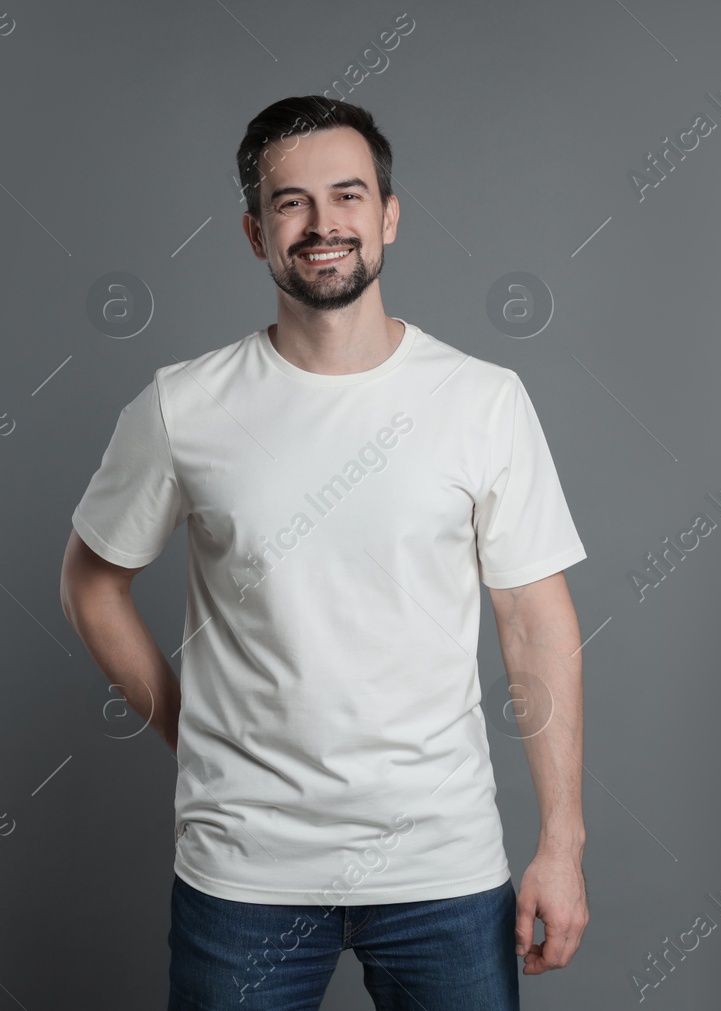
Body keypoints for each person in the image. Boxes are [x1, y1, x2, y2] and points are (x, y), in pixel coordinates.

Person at [59, 96, 589, 1009]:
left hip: (443, 866)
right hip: (243, 874)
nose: (322, 223)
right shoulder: (182, 405)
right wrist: (196, 737)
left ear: (387, 214)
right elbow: (91, 585)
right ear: (255, 232)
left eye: (347, 196)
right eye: (290, 202)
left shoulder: (483, 400)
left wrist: (561, 842)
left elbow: (535, 620)